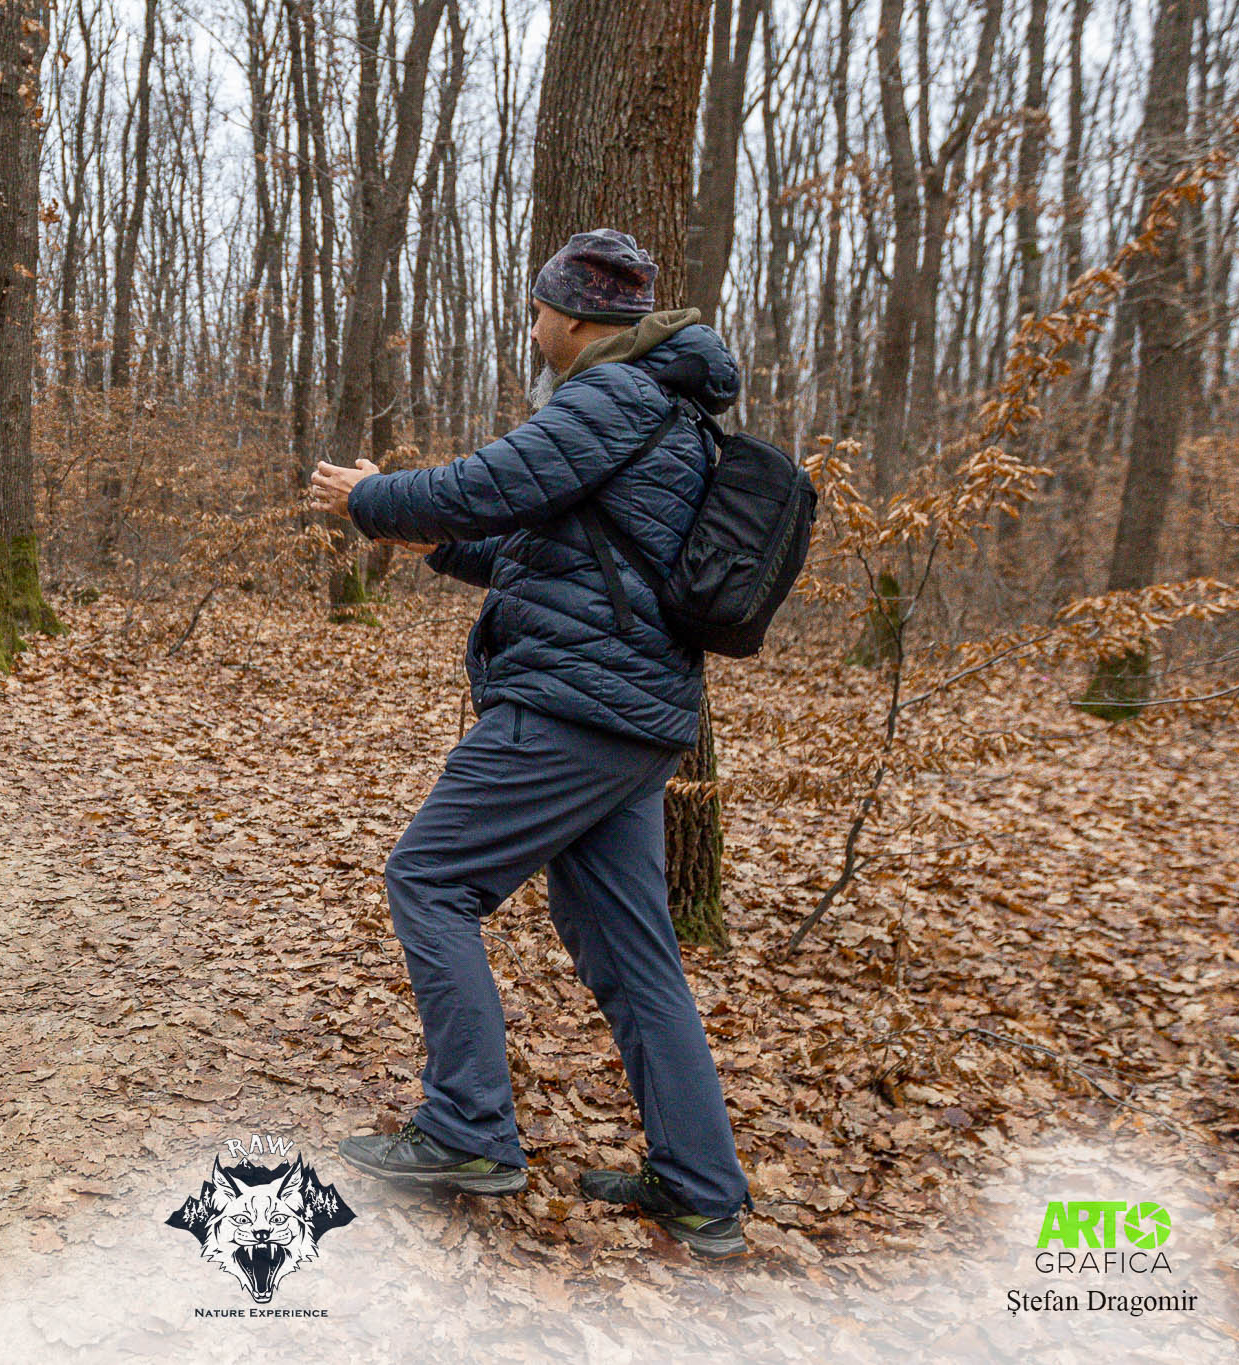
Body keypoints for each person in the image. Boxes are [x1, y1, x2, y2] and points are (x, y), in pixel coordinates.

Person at [310, 230, 753, 1261]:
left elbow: (478, 486)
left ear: (575, 317)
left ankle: (466, 1131)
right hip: (630, 718)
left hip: (571, 710)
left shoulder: (610, 397)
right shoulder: (662, 411)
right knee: (633, 956)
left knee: (430, 879)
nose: (534, 325)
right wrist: (428, 541)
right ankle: (700, 1191)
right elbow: (542, 551)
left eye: (541, 309)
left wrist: (370, 497)